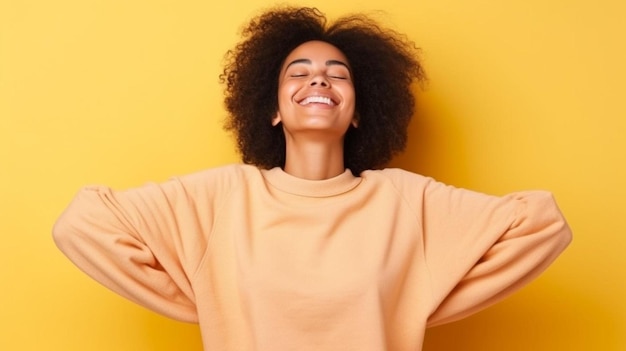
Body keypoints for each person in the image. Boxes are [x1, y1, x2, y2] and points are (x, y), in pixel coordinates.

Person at [53, 6, 572, 351]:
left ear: (360, 112)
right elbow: (83, 222)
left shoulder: (402, 201)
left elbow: (542, 222)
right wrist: (214, 300)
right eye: (297, 73)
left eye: (337, 73)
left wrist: (409, 301)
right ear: (272, 109)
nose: (318, 78)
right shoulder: (223, 197)